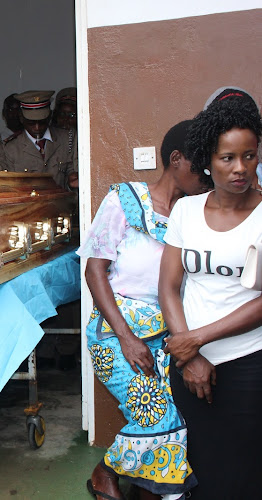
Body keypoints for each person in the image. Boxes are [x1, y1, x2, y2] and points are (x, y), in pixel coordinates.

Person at [79, 120, 203, 500]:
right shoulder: (124, 200)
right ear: (176, 159)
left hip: (167, 337)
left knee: (179, 419)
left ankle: (127, 480)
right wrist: (127, 337)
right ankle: (107, 473)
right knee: (156, 418)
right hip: (115, 334)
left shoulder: (196, 215)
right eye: (201, 167)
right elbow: (94, 270)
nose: (207, 176)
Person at [159, 97, 262, 500]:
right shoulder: (186, 211)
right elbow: (168, 286)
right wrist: (189, 356)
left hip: (248, 363)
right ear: (207, 160)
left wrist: (196, 339)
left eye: (249, 156)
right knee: (198, 463)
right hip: (190, 366)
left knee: (244, 467)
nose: (240, 168)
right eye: (228, 158)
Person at [4, 90, 78, 189]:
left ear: (50, 116)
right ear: (21, 118)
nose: (37, 128)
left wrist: (72, 182)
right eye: (31, 123)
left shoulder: (67, 139)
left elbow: (72, 173)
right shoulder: (11, 149)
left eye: (42, 122)